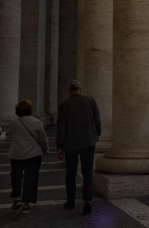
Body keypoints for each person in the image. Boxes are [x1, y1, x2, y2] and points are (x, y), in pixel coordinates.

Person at [57, 79, 101, 215]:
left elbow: (61, 127)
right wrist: (96, 135)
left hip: (70, 144)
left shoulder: (64, 105)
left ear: (69, 91)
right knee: (87, 172)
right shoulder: (91, 101)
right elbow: (97, 120)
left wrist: (60, 146)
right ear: (80, 90)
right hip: (88, 141)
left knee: (70, 172)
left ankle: (70, 201)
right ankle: (87, 201)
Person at [9, 100, 48, 214]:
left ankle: (17, 198)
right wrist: (45, 149)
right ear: (30, 110)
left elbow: (9, 133)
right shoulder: (37, 122)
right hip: (33, 154)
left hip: (16, 154)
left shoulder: (14, 123)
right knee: (30, 178)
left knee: (16, 176)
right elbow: (43, 138)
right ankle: (27, 203)